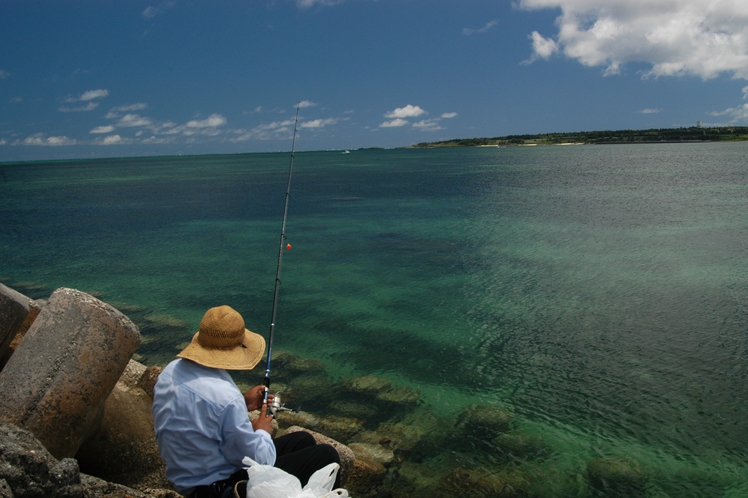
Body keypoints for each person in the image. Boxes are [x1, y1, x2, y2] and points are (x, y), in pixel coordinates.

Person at [152, 305, 341, 498]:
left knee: (303, 440)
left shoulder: (171, 371)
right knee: (328, 456)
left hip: (187, 478)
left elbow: (201, 417)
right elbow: (261, 459)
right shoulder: (225, 396)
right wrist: (262, 430)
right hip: (218, 488)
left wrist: (243, 404)